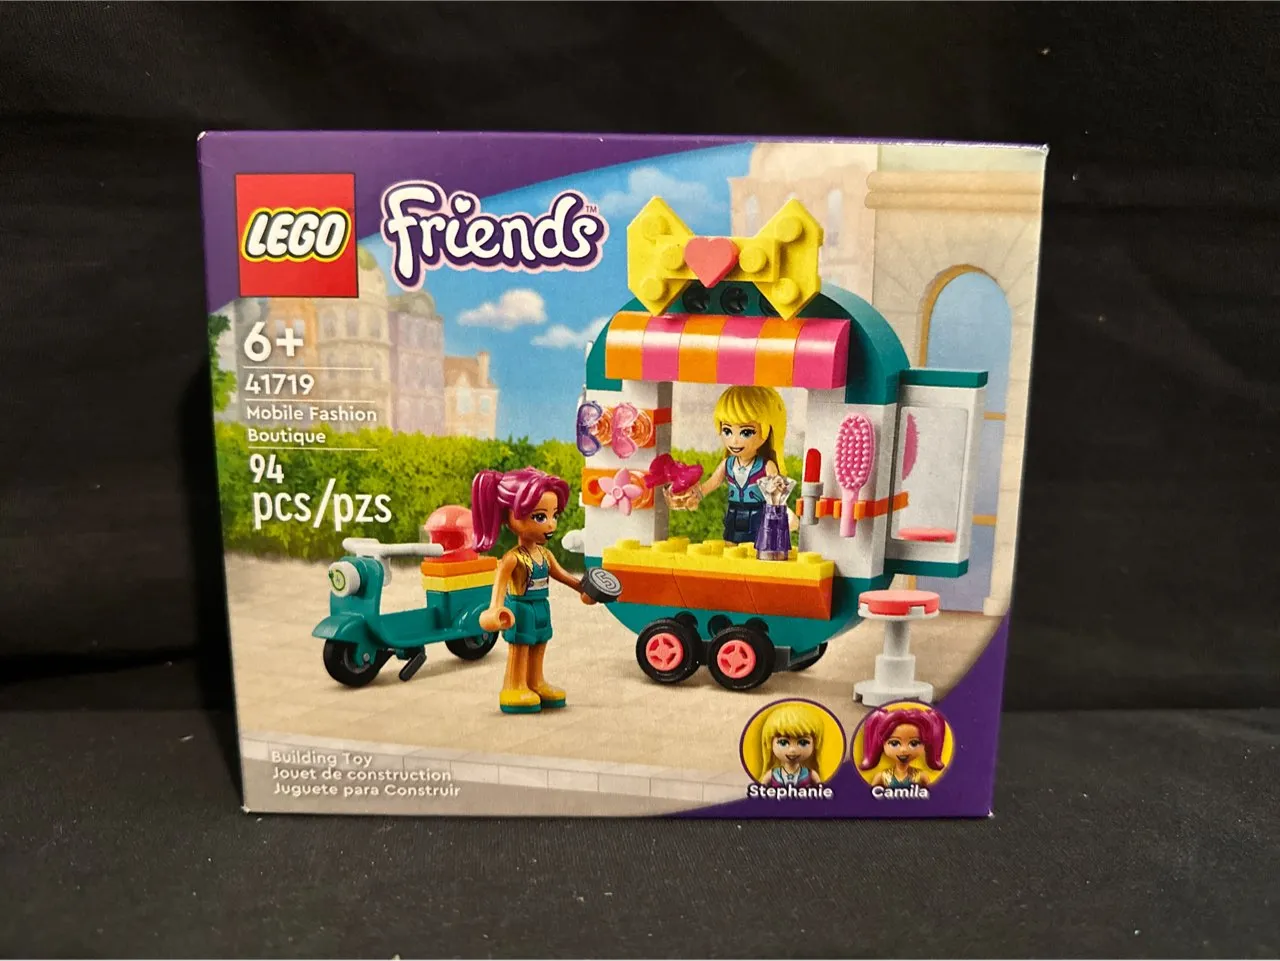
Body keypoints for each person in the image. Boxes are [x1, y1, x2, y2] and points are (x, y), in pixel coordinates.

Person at [471, 467, 596, 714]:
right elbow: (500, 585)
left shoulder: (545, 554)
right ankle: (514, 687)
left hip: (541, 606)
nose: (550, 524)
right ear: (509, 516)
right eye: (540, 517)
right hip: (520, 608)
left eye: (554, 515)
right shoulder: (512, 558)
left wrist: (584, 589)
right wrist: (495, 609)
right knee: (520, 647)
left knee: (540, 643)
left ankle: (536, 682)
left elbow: (563, 576)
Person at [691, 385, 789, 544]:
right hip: (734, 512)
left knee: (755, 548)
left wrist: (782, 514)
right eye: (727, 431)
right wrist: (697, 494)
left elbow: (777, 496)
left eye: (746, 432)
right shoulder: (728, 464)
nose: (734, 440)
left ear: (766, 431)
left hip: (758, 514)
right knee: (730, 544)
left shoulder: (766, 466)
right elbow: (713, 482)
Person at [858, 706, 948, 788]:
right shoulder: (881, 777)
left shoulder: (922, 776)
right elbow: (869, 796)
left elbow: (932, 796)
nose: (904, 750)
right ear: (882, 744)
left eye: (914, 743)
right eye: (894, 743)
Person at [755, 701, 827, 788]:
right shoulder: (773, 774)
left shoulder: (811, 774)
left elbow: (822, 791)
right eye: (783, 742)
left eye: (803, 742)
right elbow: (760, 790)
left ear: (815, 744)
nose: (792, 749)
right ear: (770, 743)